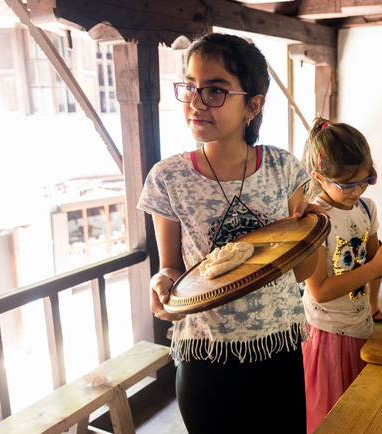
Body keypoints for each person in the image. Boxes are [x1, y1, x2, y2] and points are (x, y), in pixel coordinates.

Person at [137, 33, 322, 433]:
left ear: (253, 105)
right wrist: (162, 284)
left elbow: (303, 272)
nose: (196, 102)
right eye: (190, 86)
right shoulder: (167, 178)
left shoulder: (284, 168)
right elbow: (171, 269)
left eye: (216, 90)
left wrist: (309, 230)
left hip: (278, 345)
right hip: (206, 354)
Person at [301, 117, 382, 432]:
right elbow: (321, 291)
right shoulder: (316, 222)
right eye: (347, 184)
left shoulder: (366, 208)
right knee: (334, 418)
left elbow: (368, 258)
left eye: (366, 179)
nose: (357, 190)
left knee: (361, 412)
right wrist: (375, 268)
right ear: (320, 177)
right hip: (329, 336)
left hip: (361, 327)